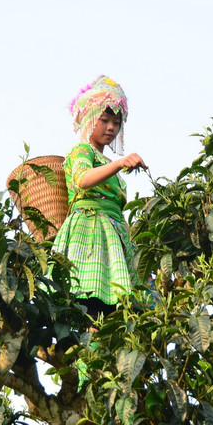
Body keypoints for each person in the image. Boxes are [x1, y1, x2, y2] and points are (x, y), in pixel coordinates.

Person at [52, 75, 148, 319]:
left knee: (117, 307)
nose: (111, 128)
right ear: (88, 119)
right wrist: (120, 163)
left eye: (116, 122)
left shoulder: (106, 161)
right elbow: (82, 179)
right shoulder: (82, 150)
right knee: (92, 300)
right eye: (104, 120)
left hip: (113, 234)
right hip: (91, 232)